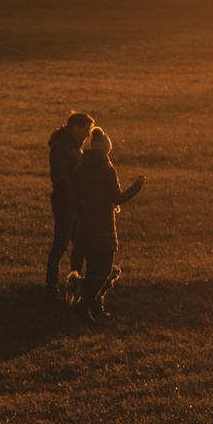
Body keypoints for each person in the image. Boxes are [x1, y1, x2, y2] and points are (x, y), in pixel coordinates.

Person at [70, 127, 144, 322]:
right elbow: (117, 198)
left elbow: (76, 198)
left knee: (94, 269)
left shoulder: (79, 169)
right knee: (104, 271)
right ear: (105, 150)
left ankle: (95, 306)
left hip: (84, 226)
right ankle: (84, 303)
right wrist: (136, 187)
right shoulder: (107, 170)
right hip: (103, 227)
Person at [46, 111, 95, 295]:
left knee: (78, 243)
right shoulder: (61, 147)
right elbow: (58, 178)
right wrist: (77, 192)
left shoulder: (73, 145)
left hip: (75, 202)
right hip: (64, 203)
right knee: (61, 243)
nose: (88, 134)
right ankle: (51, 284)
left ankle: (76, 281)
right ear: (74, 128)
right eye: (85, 129)